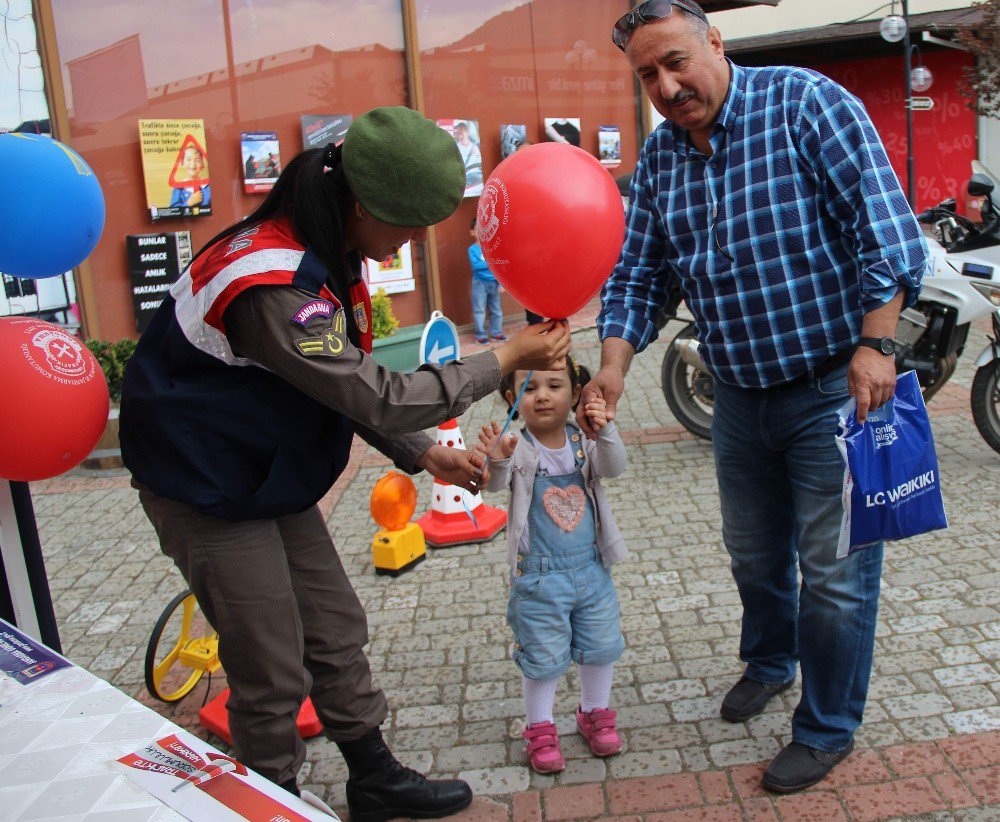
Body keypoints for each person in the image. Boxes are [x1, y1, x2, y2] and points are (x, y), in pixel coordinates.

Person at [120, 106, 570, 820]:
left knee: (334, 627)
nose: (412, 242)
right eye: (407, 224)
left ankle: (373, 776)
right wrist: (505, 358)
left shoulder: (326, 254)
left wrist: (425, 454)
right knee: (268, 664)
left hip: (267, 475)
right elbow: (377, 393)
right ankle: (273, 798)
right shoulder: (271, 281)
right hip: (205, 488)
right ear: (361, 205)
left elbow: (343, 385)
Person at [582, 0, 928, 793]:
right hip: (736, 394)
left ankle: (828, 725)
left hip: (831, 389)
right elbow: (639, 275)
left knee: (834, 569)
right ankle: (771, 662)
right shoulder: (664, 159)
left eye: (676, 61)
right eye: (648, 75)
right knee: (753, 553)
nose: (667, 86)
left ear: (714, 41)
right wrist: (613, 367)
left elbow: (885, 232)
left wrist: (876, 343)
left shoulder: (804, 102)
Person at [478, 355, 627, 774]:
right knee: (542, 658)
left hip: (592, 570)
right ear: (512, 399)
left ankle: (594, 711)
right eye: (529, 388)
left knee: (601, 646)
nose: (542, 395)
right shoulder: (518, 446)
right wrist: (499, 457)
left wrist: (607, 427)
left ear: (576, 393)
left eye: (555, 386)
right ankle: (540, 727)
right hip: (539, 579)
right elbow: (494, 484)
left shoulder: (586, 440)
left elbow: (615, 468)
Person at [468, 217, 505, 344]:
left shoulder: (491, 247)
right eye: (477, 230)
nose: (480, 233)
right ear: (472, 232)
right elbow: (476, 266)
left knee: (496, 310)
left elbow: (498, 266)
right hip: (479, 283)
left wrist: (501, 283)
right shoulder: (472, 249)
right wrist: (490, 262)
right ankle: (480, 335)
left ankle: (497, 333)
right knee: (479, 309)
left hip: (494, 283)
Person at [169, 143, 211, 210]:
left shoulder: (208, 187)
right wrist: (188, 204)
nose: (193, 164)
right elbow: (173, 211)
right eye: (189, 159)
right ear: (182, 162)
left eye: (197, 160)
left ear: (202, 164)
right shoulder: (178, 188)